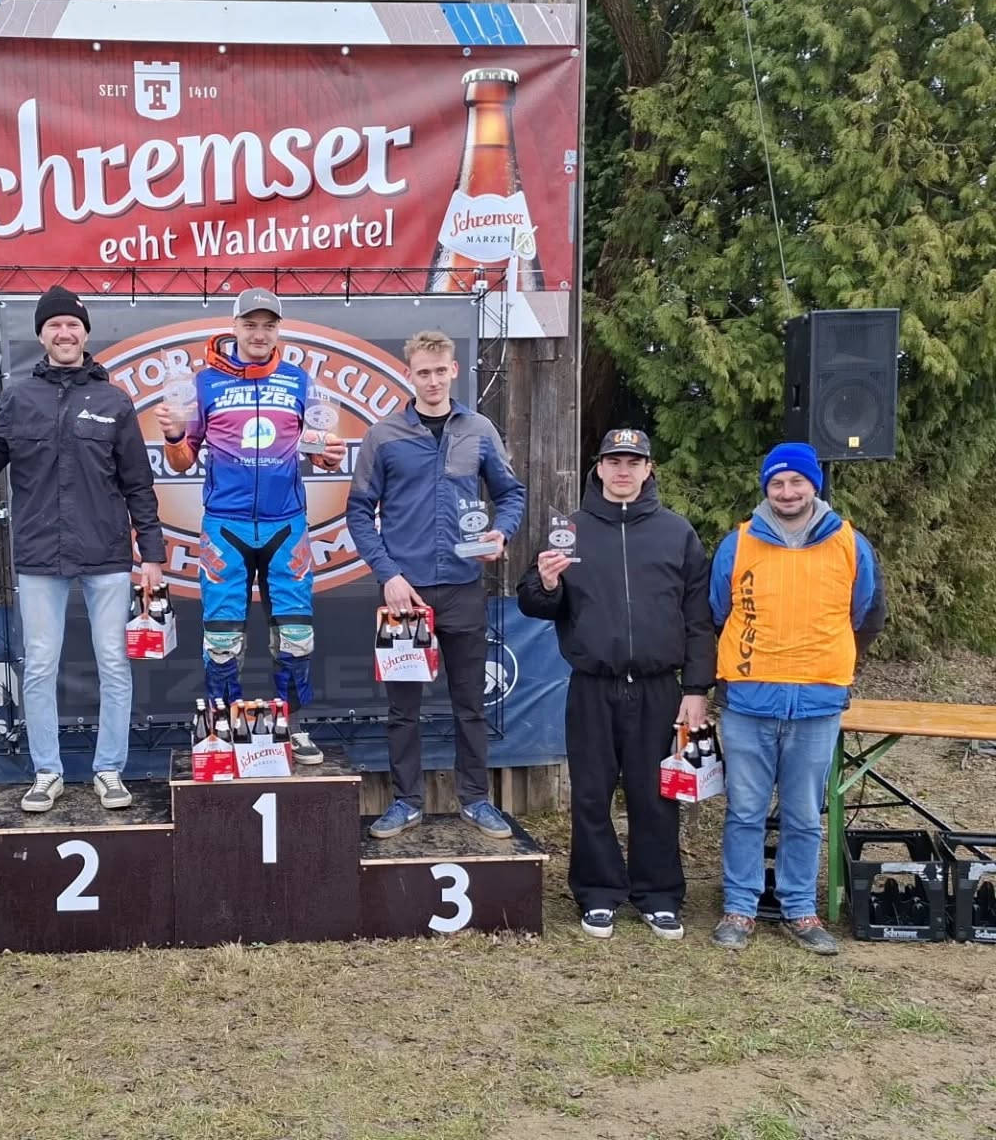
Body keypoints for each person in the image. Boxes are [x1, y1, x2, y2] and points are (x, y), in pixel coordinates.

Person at [0, 286, 163, 814]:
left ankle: (110, 769)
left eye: (72, 325)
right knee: (40, 666)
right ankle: (47, 772)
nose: (64, 333)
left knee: (114, 664)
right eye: (54, 326)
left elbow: (138, 483)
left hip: (107, 553)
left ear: (85, 334)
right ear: (41, 336)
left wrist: (153, 554)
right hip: (40, 554)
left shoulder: (114, 401)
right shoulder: (19, 396)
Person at [517, 429, 714, 941]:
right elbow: (533, 602)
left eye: (633, 461)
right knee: (590, 794)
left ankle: (659, 895)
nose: (623, 470)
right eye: (614, 461)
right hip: (592, 686)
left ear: (648, 469)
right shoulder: (570, 530)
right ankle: (598, 893)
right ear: (599, 468)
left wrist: (696, 689)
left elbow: (699, 618)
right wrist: (547, 582)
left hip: (659, 688)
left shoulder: (676, 533)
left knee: (656, 795)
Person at [346, 329, 526, 839]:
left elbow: (511, 494)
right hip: (406, 595)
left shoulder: (479, 429)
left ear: (454, 371)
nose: (431, 381)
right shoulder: (383, 435)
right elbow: (359, 512)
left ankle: (476, 799)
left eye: (439, 371)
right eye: (422, 372)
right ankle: (406, 801)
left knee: (471, 704)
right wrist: (389, 575)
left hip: (465, 586)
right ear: (409, 374)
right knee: (403, 709)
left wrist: (501, 532)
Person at [709, 442, 885, 956]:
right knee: (744, 811)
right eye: (777, 483)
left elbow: (867, 614)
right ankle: (739, 907)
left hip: (817, 704)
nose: (787, 492)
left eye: (797, 482)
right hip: (748, 702)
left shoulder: (849, 544)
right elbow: (717, 611)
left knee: (805, 815)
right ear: (766, 488)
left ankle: (799, 909)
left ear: (814, 486)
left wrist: (830, 661)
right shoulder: (738, 543)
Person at [155, 289, 343, 763]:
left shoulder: (299, 381)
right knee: (222, 640)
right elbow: (181, 462)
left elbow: (318, 450)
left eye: (269, 325)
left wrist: (328, 453)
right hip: (226, 526)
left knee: (296, 636)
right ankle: (224, 728)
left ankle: (290, 727)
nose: (260, 334)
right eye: (251, 324)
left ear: (278, 330)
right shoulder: (204, 383)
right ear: (234, 326)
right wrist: (174, 435)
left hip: (286, 525)